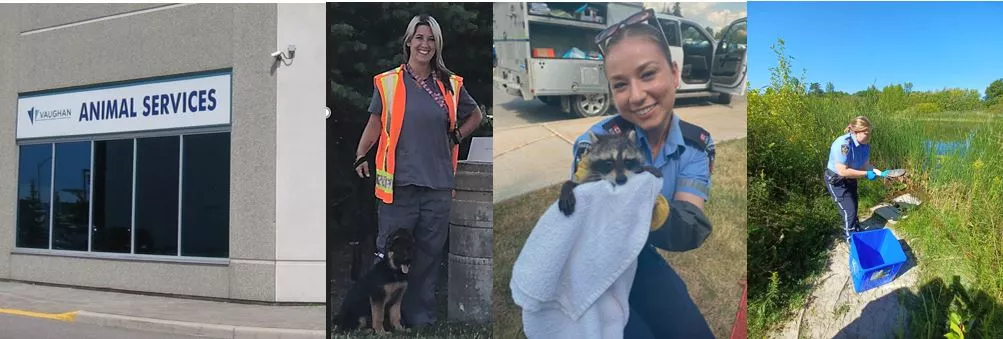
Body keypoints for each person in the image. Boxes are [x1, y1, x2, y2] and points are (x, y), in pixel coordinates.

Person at [571, 8, 715, 338]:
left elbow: (691, 225)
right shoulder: (594, 143)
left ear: (675, 73)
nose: (636, 96)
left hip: (637, 255)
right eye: (620, 84)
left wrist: (652, 207)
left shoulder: (696, 146)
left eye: (648, 74)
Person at [353, 14, 483, 328]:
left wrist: (457, 135)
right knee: (387, 256)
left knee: (426, 258)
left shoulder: (450, 84)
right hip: (398, 186)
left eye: (431, 39)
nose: (425, 44)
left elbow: (476, 115)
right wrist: (360, 155)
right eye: (419, 37)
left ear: (437, 45)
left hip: (438, 185)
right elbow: (375, 123)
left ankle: (418, 318)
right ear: (409, 41)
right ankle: (377, 320)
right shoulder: (389, 82)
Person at [825, 116, 889, 241]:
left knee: (854, 204)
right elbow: (842, 171)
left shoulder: (865, 145)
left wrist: (880, 173)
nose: (869, 136)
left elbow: (866, 165)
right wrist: (866, 174)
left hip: (850, 177)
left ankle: (855, 227)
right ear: (855, 132)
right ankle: (849, 237)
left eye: (870, 132)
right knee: (849, 210)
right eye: (866, 133)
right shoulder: (843, 144)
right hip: (836, 180)